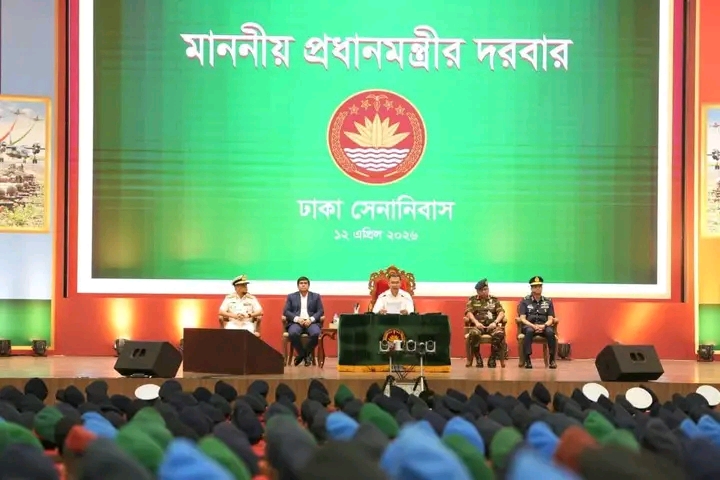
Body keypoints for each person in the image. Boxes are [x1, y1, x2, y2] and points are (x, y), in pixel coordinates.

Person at [283, 276, 325, 367]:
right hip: (296, 322)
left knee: (316, 333)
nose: (303, 285)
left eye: (305, 283)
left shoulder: (316, 296)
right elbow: (286, 311)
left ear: (308, 285)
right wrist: (297, 319)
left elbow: (320, 311)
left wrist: (311, 319)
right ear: (298, 285)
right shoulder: (291, 296)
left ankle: (301, 356)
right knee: (293, 333)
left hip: (311, 322)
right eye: (301, 283)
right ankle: (305, 355)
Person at [464, 279, 506, 368]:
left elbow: (501, 313)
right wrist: (476, 322)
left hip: (492, 326)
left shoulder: (494, 300)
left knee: (499, 333)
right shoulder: (473, 300)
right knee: (473, 334)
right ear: (477, 291)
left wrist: (495, 322)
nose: (484, 291)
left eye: (486, 289)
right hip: (478, 326)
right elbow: (468, 312)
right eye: (481, 290)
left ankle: (492, 358)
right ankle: (478, 358)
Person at [518, 276, 557, 369]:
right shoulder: (525, 301)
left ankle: (552, 359)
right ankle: (527, 359)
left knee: (550, 332)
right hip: (529, 325)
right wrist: (532, 325)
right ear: (531, 288)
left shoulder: (548, 301)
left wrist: (544, 325)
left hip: (544, 325)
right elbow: (522, 318)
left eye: (540, 286)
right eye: (535, 287)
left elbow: (551, 318)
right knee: (529, 331)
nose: (538, 288)